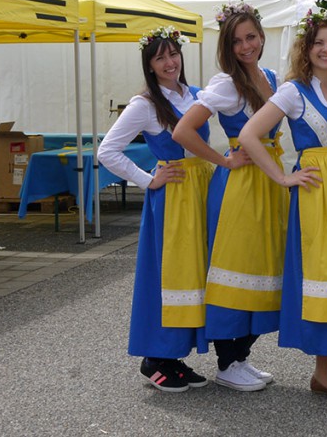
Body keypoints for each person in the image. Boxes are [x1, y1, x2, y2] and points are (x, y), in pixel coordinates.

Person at [239, 9, 327, 423]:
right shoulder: (292, 91)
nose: (326, 49)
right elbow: (251, 135)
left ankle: (323, 373)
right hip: (319, 201)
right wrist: (283, 177)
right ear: (307, 48)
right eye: (318, 42)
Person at [173, 1, 284, 393]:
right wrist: (224, 159)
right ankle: (226, 360)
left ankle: (240, 357)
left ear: (261, 36)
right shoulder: (225, 83)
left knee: (262, 268)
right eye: (236, 40)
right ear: (227, 44)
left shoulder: (269, 75)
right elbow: (183, 132)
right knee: (234, 271)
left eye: (251, 36)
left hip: (268, 181)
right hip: (240, 186)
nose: (245, 46)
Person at [98, 26, 215, 393]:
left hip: (200, 190)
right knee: (166, 274)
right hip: (173, 195)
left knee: (193, 273)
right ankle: (155, 358)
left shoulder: (194, 95)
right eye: (160, 57)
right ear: (149, 65)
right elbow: (107, 151)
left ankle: (175, 353)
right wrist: (148, 179)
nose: (169, 62)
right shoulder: (145, 104)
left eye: (173, 54)